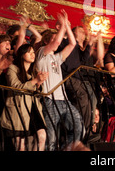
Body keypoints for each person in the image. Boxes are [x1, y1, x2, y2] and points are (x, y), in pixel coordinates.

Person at [35, 10, 83, 150]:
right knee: (51, 138)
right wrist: (63, 24)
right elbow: (56, 42)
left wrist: (67, 26)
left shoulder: (56, 58)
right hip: (49, 100)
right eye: (55, 38)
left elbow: (72, 44)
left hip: (64, 100)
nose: (60, 40)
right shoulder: (41, 53)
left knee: (78, 126)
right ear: (46, 41)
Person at [0, 44, 48, 151]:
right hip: (18, 109)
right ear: (22, 55)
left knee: (42, 136)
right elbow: (16, 87)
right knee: (20, 145)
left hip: (33, 108)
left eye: (33, 52)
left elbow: (40, 93)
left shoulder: (33, 72)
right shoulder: (13, 69)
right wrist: (35, 80)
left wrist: (39, 84)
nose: (32, 55)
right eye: (29, 52)